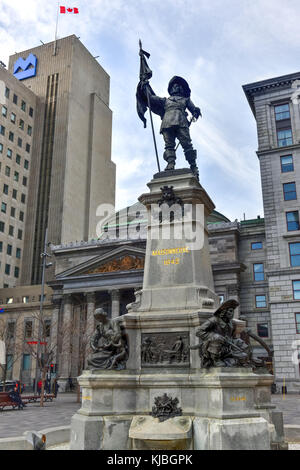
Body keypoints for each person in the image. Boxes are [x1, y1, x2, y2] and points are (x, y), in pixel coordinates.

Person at [142, 76, 201, 178]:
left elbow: (193, 109)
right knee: (169, 145)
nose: (175, 87)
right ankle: (170, 163)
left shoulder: (185, 99)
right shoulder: (165, 100)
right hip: (167, 123)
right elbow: (151, 99)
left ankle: (193, 167)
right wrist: (145, 86)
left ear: (181, 88)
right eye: (173, 86)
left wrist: (196, 111)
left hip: (181, 121)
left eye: (177, 85)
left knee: (187, 145)